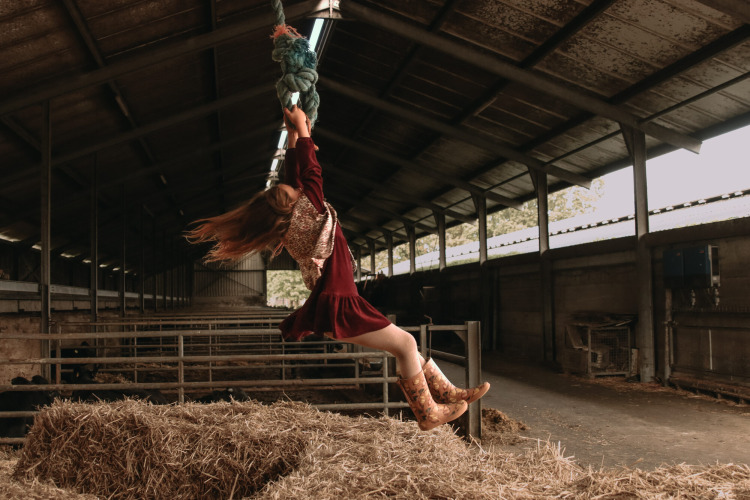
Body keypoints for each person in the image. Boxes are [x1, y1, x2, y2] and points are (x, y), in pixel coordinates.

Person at [186, 105, 489, 431]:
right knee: (406, 345)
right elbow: (311, 173)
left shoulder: (292, 222)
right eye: (293, 192)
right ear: (295, 207)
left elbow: (295, 178)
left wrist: (291, 139)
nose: (298, 188)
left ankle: (445, 391)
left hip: (339, 300)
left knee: (405, 343)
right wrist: (303, 130)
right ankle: (428, 413)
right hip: (339, 305)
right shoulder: (311, 210)